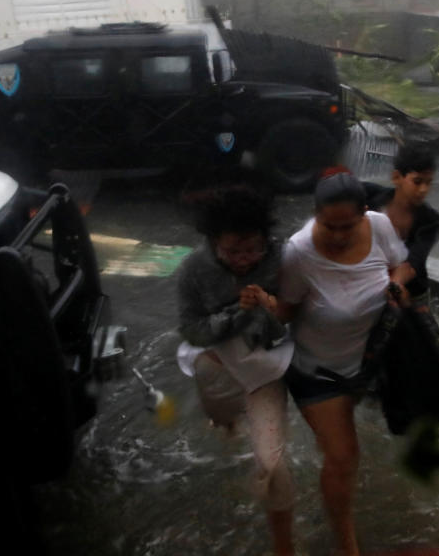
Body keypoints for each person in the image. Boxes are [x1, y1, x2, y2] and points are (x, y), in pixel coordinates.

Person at [276, 168, 410, 556]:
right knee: (343, 456)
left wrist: (397, 285)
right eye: (327, 225)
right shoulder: (298, 252)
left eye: (346, 227)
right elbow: (283, 312)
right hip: (316, 371)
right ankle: (347, 546)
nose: (336, 236)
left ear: (364, 214)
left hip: (368, 362)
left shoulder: (380, 226)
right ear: (315, 214)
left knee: (354, 444)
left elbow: (399, 266)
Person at [175, 184, 296, 556]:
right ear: (214, 243)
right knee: (223, 417)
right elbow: (191, 329)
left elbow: (301, 315)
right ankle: (225, 421)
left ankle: (283, 547)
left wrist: (273, 309)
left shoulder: (282, 257)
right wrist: (237, 312)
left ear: (265, 241)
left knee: (272, 462)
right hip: (217, 361)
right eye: (233, 251)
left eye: (252, 250)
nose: (244, 260)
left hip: (266, 367)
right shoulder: (194, 270)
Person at [363, 144, 439, 306]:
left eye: (429, 183)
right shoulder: (371, 197)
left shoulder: (431, 220)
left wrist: (393, 286)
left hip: (411, 291)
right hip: (370, 284)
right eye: (417, 181)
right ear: (397, 178)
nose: (423, 190)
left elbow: (414, 261)